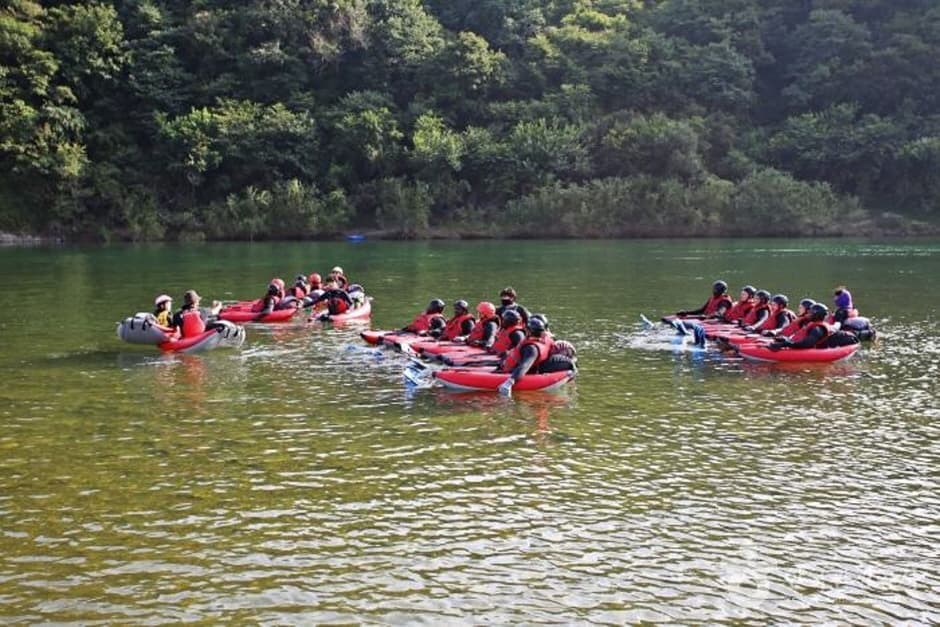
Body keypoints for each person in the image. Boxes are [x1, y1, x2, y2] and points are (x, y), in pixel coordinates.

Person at [497, 316, 555, 396]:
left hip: (512, 371)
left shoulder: (531, 348)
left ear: (528, 331)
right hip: (516, 364)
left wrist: (509, 383)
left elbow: (525, 365)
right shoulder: (547, 340)